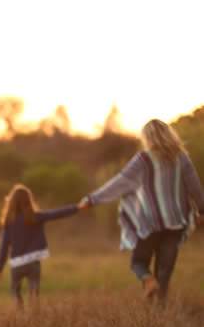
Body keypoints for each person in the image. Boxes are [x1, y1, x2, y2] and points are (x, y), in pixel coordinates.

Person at [79, 119, 204, 302]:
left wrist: (92, 199)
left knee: (138, 263)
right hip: (176, 223)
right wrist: (202, 210)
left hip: (149, 223)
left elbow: (119, 183)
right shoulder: (181, 158)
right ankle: (159, 314)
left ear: (148, 138)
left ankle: (147, 280)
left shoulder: (143, 159)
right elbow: (195, 187)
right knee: (165, 271)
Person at [0, 184, 78, 309]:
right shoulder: (35, 217)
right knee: (34, 292)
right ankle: (34, 317)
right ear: (29, 200)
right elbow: (56, 213)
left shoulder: (9, 221)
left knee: (15, 292)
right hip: (33, 262)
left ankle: (20, 317)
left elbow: (4, 246)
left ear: (11, 202)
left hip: (17, 264)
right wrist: (76, 207)